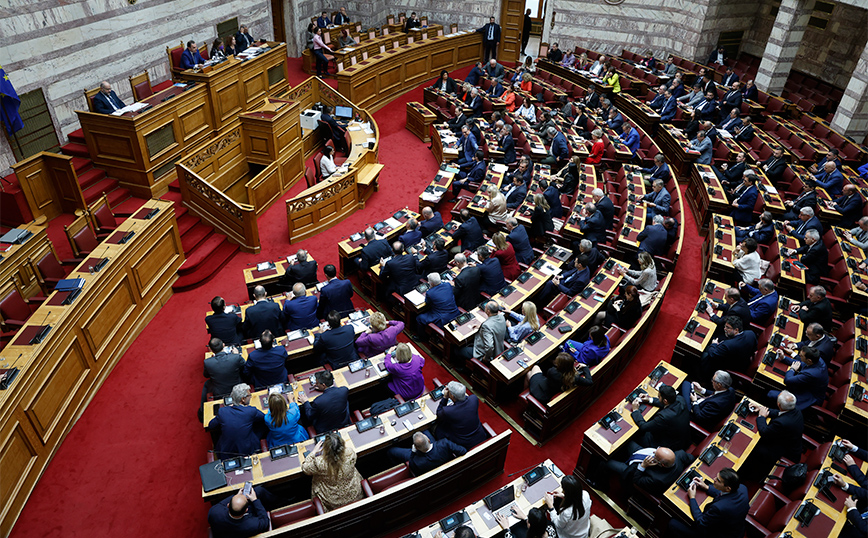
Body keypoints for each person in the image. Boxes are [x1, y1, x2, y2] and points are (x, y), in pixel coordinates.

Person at [668, 468, 749, 538]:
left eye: (718, 480)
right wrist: (706, 487)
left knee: (673, 523)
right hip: (736, 530)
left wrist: (692, 498)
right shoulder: (742, 488)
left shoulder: (719, 508)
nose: (714, 479)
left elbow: (701, 522)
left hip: (717, 534)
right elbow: (725, 495)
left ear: (728, 488)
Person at [302, 431, 363, 512]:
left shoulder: (320, 463)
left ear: (325, 449)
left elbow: (305, 468)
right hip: (353, 495)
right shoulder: (350, 453)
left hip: (332, 502)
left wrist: (313, 452)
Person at [603, 444, 693, 496]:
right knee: (627, 443)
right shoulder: (680, 455)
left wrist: (643, 466)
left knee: (606, 462)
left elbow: (636, 480)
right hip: (643, 456)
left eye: (655, 455)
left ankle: (601, 484)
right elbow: (692, 459)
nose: (653, 452)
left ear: (662, 464)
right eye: (657, 450)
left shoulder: (657, 480)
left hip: (633, 471)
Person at [748, 391, 804, 474]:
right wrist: (761, 408)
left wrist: (761, 417)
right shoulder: (796, 409)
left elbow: (764, 432)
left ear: (779, 405)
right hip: (791, 443)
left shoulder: (781, 423)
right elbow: (779, 413)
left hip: (785, 451)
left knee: (753, 447)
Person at [209, 384, 265, 459]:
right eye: (249, 395)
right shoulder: (250, 411)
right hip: (247, 450)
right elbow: (264, 417)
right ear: (243, 399)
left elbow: (211, 425)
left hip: (227, 451)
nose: (251, 397)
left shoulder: (222, 411)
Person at [629, 384, 690, 450]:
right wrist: (649, 400)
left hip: (667, 444)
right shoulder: (680, 399)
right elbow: (668, 404)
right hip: (682, 437)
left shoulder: (663, 417)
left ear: (665, 401)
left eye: (659, 397)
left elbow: (644, 427)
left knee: (634, 433)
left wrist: (635, 410)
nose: (658, 398)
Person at [769, 346, 827, 410]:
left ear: (809, 360)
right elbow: (800, 364)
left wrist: (792, 369)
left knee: (771, 394)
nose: (799, 355)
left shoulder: (812, 373)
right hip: (804, 387)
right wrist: (783, 358)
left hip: (807, 397)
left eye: (801, 355)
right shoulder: (817, 360)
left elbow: (787, 381)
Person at [434, 381, 488, 449]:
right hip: (479, 435)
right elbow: (465, 398)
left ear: (452, 396)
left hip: (464, 443)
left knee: (438, 429)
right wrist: (459, 393)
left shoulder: (448, 411)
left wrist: (445, 397)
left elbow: (439, 413)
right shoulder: (474, 399)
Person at [207, 485, 274, 538]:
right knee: (259, 490)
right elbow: (265, 522)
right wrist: (254, 500)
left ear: (228, 505)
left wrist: (238, 495)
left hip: (224, 532)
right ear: (246, 510)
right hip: (240, 531)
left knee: (258, 491)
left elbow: (221, 504)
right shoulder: (251, 525)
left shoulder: (214, 513)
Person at [388, 431, 467, 475]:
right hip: (439, 455)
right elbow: (463, 451)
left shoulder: (417, 461)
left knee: (391, 451)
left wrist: (413, 452)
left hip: (420, 456)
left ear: (416, 447)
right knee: (425, 430)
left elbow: (413, 469)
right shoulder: (444, 443)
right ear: (429, 440)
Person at [202, 338, 245, 412]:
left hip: (220, 392)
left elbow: (206, 375)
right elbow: (244, 366)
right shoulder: (235, 357)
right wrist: (237, 354)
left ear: (211, 350)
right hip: (237, 386)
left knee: (207, 384)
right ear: (223, 345)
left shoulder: (208, 362)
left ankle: (202, 411)